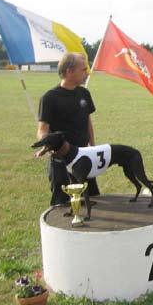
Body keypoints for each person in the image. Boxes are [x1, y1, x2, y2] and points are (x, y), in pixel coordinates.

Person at [36, 52, 100, 206]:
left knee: (94, 202)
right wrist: (47, 144)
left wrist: (93, 146)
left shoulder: (84, 93)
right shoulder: (49, 98)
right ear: (69, 71)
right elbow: (42, 129)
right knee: (63, 206)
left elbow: (88, 121)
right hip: (61, 161)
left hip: (85, 158)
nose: (86, 73)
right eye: (83, 69)